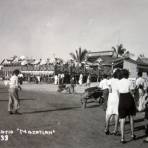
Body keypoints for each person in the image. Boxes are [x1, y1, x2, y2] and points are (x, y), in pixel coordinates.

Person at [117, 69, 136, 143]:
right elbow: (132, 92)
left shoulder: (119, 82)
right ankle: (132, 134)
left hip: (122, 99)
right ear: (127, 74)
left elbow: (118, 93)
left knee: (122, 119)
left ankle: (122, 138)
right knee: (131, 117)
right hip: (129, 99)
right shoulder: (129, 81)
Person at [105, 69, 120, 135]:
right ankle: (115, 130)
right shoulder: (119, 81)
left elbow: (110, 90)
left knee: (109, 114)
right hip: (117, 98)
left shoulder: (109, 81)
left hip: (111, 98)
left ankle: (106, 129)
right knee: (116, 114)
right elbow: (119, 92)